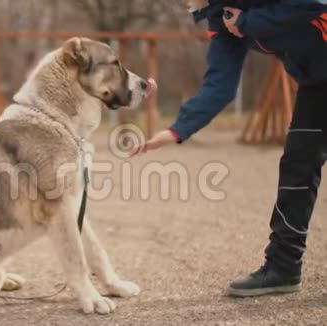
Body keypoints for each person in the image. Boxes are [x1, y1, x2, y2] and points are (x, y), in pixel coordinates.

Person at [132, 0, 327, 297]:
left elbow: (314, 5)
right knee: (297, 164)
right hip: (318, 82)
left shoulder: (240, 17)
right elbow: (220, 83)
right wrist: (177, 130)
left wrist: (249, 23)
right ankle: (283, 267)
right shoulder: (220, 18)